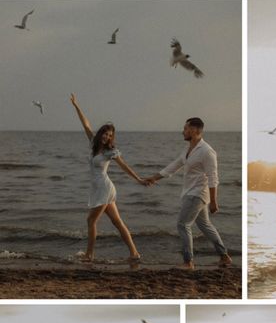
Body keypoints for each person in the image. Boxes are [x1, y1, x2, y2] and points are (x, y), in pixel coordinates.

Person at [144, 117, 232, 270]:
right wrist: (154, 178)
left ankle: (188, 262)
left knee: (183, 225)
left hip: (197, 194)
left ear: (195, 130)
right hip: (189, 192)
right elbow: (174, 166)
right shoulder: (188, 149)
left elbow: (213, 177)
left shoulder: (207, 151)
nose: (182, 131)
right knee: (205, 225)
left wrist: (214, 201)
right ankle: (224, 256)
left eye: (185, 129)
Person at [70, 93, 146, 266]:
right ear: (101, 134)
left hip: (104, 188)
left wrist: (139, 179)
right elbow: (86, 123)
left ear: (112, 137)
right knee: (117, 222)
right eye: (105, 133)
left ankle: (89, 255)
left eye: (109, 135)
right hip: (99, 188)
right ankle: (134, 253)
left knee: (91, 221)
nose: (106, 136)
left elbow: (124, 166)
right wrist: (76, 105)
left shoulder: (110, 152)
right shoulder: (93, 144)